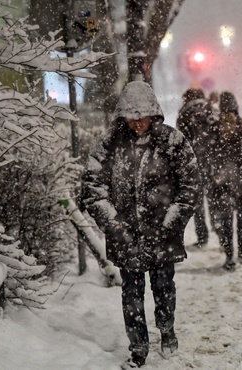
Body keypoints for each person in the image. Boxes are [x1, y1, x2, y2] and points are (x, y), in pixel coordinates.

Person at [81, 81, 200, 369]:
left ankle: (166, 328)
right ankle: (138, 349)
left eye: (142, 117)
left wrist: (171, 222)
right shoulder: (107, 145)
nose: (138, 123)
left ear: (153, 114)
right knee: (131, 294)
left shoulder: (172, 142)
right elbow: (93, 190)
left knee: (163, 288)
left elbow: (191, 186)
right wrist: (116, 226)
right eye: (132, 117)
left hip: (163, 235)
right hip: (125, 237)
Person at [207, 91, 242, 271]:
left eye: (231, 114)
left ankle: (241, 252)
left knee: (241, 221)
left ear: (235, 114)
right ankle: (229, 256)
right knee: (225, 223)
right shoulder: (214, 134)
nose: (227, 119)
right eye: (225, 114)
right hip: (222, 185)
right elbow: (206, 156)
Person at [176, 88, 213, 247]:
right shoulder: (212, 110)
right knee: (215, 201)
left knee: (197, 204)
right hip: (213, 163)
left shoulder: (184, 113)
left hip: (194, 165)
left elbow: (181, 142)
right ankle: (221, 231)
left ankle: (203, 236)